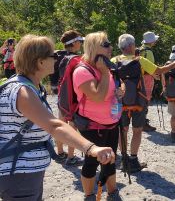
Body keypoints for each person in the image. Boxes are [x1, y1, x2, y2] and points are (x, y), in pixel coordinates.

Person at [0, 34, 115, 201]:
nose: (57, 59)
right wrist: (91, 148)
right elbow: (54, 126)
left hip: (21, 170)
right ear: (39, 62)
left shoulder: (28, 86)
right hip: (18, 173)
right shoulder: (22, 92)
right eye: (53, 56)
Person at [112, 34, 175, 173]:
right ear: (131, 46)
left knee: (122, 131)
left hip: (120, 102)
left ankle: (124, 159)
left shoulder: (114, 60)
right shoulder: (140, 60)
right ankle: (133, 160)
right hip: (138, 100)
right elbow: (159, 71)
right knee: (137, 130)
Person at [72, 31, 123, 200]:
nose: (111, 47)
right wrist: (104, 71)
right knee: (92, 162)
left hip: (111, 123)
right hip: (92, 125)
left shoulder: (106, 66)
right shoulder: (83, 71)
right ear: (94, 47)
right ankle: (89, 195)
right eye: (106, 44)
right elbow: (98, 97)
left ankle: (113, 192)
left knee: (110, 158)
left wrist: (121, 90)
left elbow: (117, 85)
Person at [52, 30, 85, 166]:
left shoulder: (56, 55)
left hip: (60, 95)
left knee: (60, 123)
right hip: (72, 97)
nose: (81, 44)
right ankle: (71, 157)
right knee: (72, 127)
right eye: (80, 41)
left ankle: (60, 153)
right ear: (75, 43)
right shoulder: (75, 59)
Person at [139, 31, 160, 132]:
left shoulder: (140, 49)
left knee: (141, 98)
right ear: (152, 41)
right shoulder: (149, 52)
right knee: (146, 99)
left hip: (139, 77)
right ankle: (143, 123)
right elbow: (149, 68)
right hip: (147, 78)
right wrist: (155, 76)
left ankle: (140, 121)